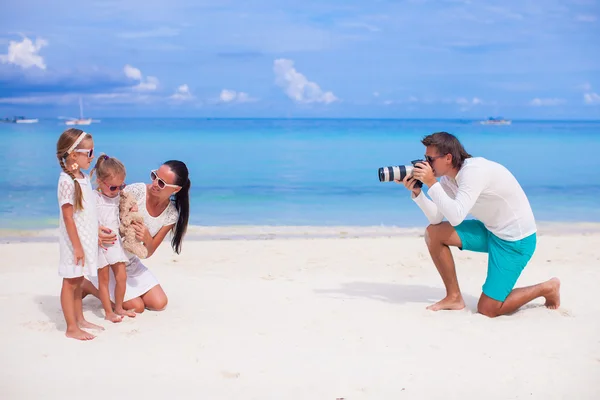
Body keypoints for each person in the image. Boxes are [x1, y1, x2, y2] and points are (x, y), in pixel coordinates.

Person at [400, 131, 560, 318]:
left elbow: (457, 216)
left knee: (488, 309)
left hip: (515, 242)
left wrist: (431, 183)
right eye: (424, 158)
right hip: (490, 230)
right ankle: (454, 297)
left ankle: (546, 288)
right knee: (434, 233)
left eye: (430, 158)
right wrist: (418, 193)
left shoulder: (473, 173)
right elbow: (436, 218)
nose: (425, 163)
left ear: (448, 158)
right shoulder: (448, 179)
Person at [82, 160, 190, 313]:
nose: (154, 184)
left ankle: (110, 291)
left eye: (161, 183)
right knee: (136, 307)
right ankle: (88, 285)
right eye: (154, 176)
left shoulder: (171, 214)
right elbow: (102, 207)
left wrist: (147, 238)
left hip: (130, 261)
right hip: (110, 257)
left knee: (159, 303)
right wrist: (95, 231)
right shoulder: (136, 191)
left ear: (176, 189)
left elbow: (149, 252)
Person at [56, 128, 104, 340]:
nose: (92, 157)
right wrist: (76, 246)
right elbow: (68, 218)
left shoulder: (82, 177)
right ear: (74, 154)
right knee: (71, 282)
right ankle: (71, 327)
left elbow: (86, 212)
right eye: (90, 152)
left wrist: (96, 233)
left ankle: (80, 318)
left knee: (79, 279)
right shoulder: (67, 181)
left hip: (84, 238)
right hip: (73, 242)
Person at [90, 154, 136, 323]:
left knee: (121, 277)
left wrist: (133, 208)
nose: (117, 190)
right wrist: (95, 233)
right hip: (102, 244)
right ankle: (108, 312)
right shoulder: (94, 198)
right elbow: (83, 220)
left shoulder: (118, 196)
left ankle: (118, 307)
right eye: (113, 187)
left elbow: (128, 204)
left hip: (116, 243)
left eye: (121, 186)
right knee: (103, 279)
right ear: (100, 181)